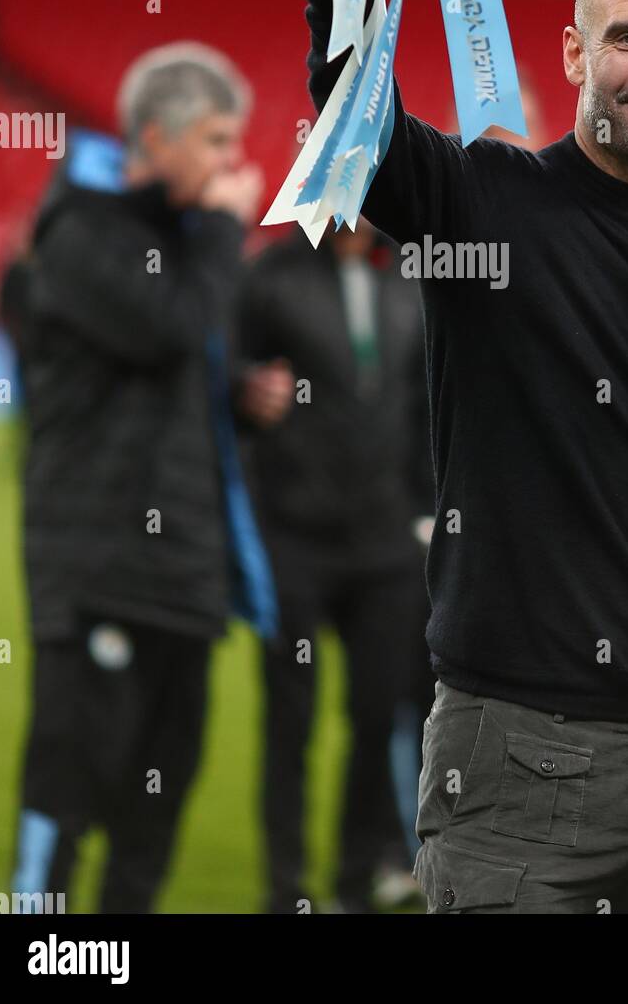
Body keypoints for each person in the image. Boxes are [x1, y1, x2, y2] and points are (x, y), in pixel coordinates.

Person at [227, 0, 628, 914]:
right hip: (514, 776)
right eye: (626, 35)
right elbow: (356, 117)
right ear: (573, 53)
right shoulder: (485, 205)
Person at [12, 42, 279, 913]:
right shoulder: (82, 227)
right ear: (157, 139)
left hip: (182, 576)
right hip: (99, 572)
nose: (232, 164)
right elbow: (166, 327)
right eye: (215, 140)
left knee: (153, 807)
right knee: (68, 787)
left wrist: (237, 398)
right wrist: (221, 229)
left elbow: (166, 364)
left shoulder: (170, 238)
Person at [236, 215, 433, 914]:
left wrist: (425, 509)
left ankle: (357, 881)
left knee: (378, 717)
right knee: (289, 721)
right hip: (293, 539)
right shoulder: (272, 275)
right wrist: (242, 387)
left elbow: (422, 402)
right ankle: (285, 886)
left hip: (384, 546)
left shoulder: (409, 273)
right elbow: (226, 374)